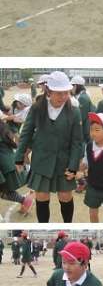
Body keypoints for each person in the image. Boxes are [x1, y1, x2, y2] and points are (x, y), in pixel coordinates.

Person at [15, 71, 83, 223]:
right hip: (41, 160)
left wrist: (73, 167)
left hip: (64, 162)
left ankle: (67, 225)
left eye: (66, 92)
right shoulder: (37, 108)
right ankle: (43, 226)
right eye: (59, 93)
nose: (63, 97)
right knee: (41, 196)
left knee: (65, 196)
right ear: (49, 91)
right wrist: (19, 157)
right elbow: (26, 133)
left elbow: (77, 142)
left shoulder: (74, 112)